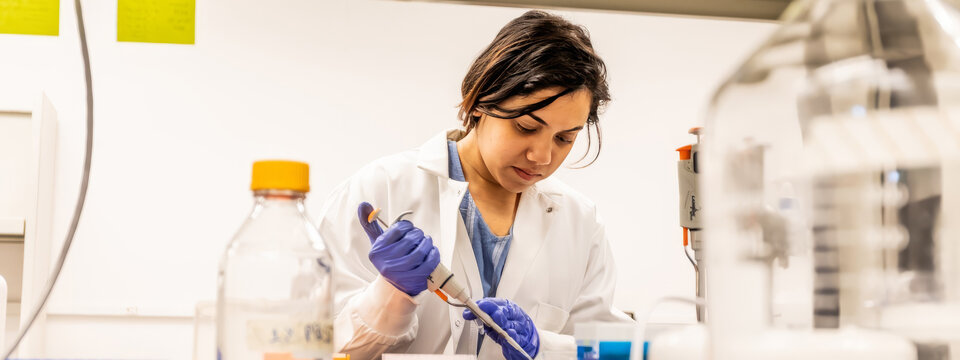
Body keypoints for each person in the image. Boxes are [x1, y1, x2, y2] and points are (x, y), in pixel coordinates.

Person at [317, 10, 632, 359]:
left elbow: (606, 351)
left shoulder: (580, 223)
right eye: (526, 127)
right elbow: (315, 347)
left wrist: (544, 347)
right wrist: (390, 294)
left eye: (564, 138)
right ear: (481, 101)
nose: (542, 156)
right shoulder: (382, 190)